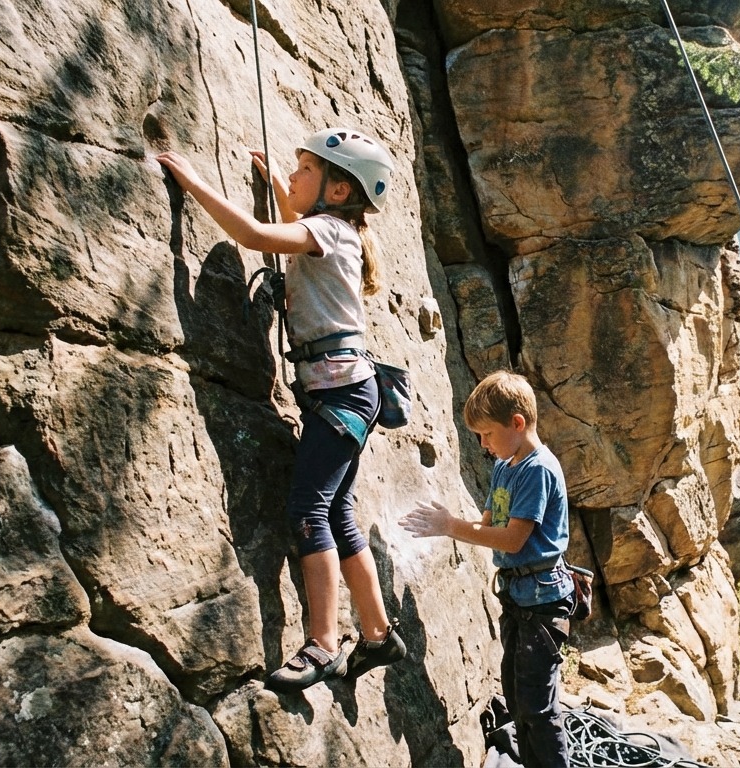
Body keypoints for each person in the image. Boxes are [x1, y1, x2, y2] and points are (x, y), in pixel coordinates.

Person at [155, 127, 406, 692]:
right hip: (346, 391)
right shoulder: (338, 229)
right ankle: (377, 633)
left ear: (337, 191)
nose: (293, 177)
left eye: (304, 171)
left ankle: (323, 644)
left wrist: (192, 181)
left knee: (307, 509)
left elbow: (250, 234)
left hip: (340, 392)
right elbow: (295, 220)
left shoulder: (326, 230)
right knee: (337, 513)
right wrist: (275, 179)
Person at [399, 370, 574, 768]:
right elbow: (491, 522)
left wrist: (450, 528)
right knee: (517, 698)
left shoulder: (537, 469)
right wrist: (451, 524)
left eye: (487, 434)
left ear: (517, 423)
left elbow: (513, 539)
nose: (483, 444)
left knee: (538, 708)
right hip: (519, 597)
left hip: (543, 601)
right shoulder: (505, 465)